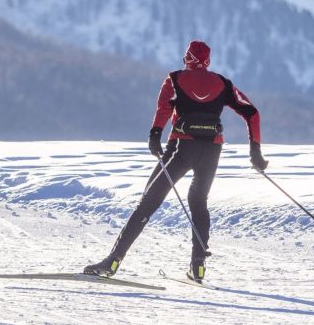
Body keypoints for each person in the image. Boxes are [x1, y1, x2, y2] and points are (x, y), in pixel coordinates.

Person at [84, 40, 268, 283]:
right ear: (208, 61)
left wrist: (154, 136)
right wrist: (255, 152)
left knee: (148, 203)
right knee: (198, 201)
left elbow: (163, 108)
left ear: (188, 58)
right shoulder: (223, 84)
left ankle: (113, 261)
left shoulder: (175, 79)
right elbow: (251, 113)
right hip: (212, 150)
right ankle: (198, 267)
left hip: (181, 147)